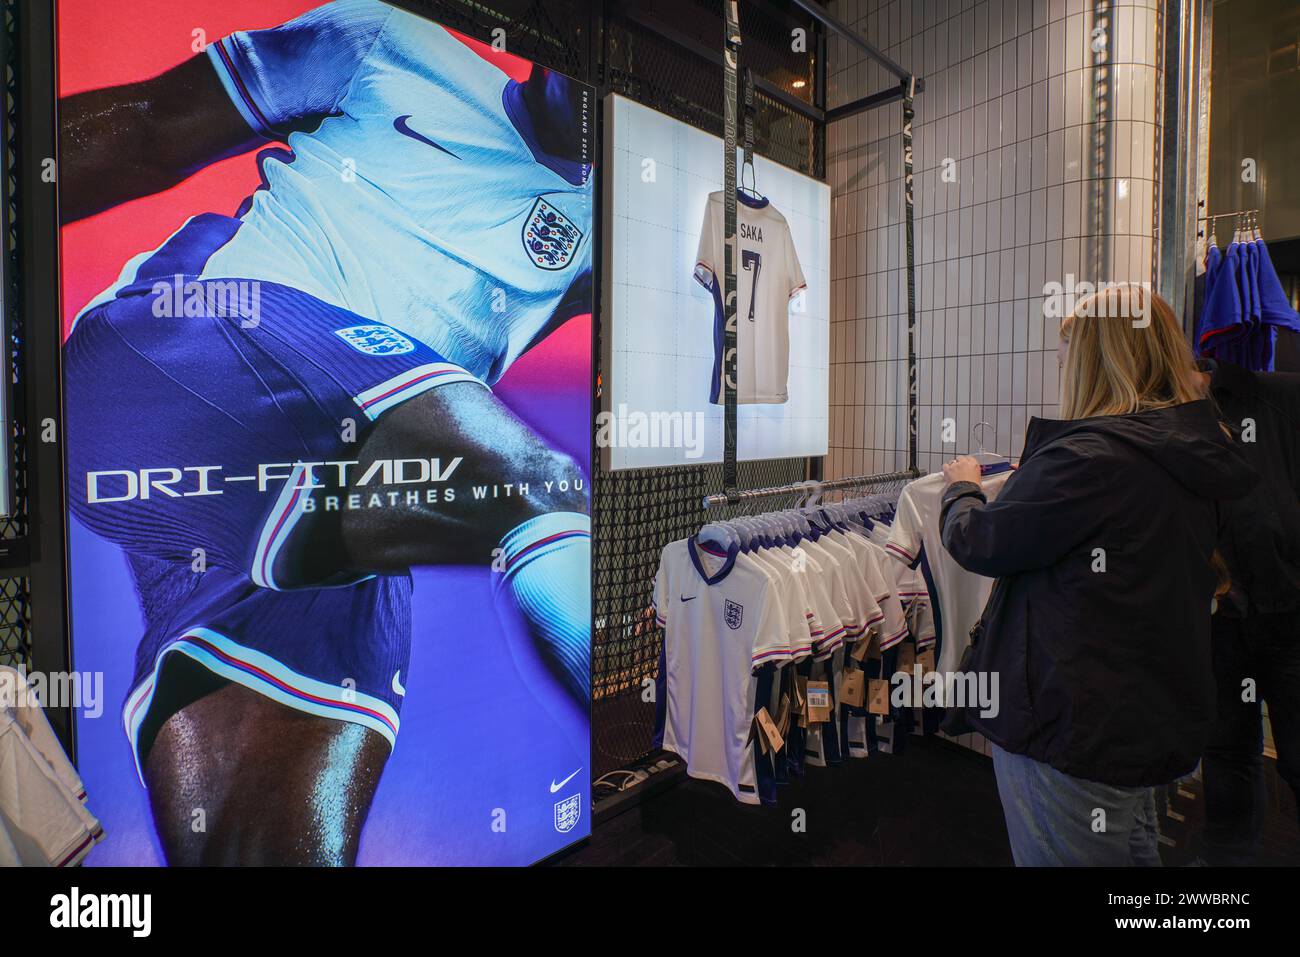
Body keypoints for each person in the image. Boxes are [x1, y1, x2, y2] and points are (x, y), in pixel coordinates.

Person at [60, 0, 593, 864]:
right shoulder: (387, 46)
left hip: (318, 517)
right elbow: (148, 132)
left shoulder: (608, 223)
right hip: (181, 362)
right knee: (533, 489)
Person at [937, 285, 1257, 866]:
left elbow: (978, 541)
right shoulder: (1195, 448)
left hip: (1073, 728)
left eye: (1068, 356)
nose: (1062, 368)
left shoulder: (1086, 459)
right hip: (1145, 720)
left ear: (1098, 361)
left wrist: (961, 486)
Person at [1196, 357, 1300, 864]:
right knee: (1227, 749)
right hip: (1221, 619)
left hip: (1290, 614)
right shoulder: (1172, 419)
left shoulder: (1275, 397)